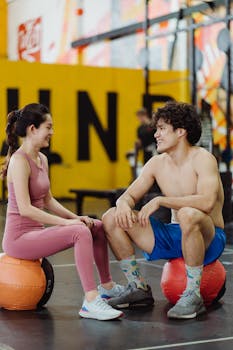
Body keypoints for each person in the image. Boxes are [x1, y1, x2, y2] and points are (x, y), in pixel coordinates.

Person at [102, 100, 226, 319]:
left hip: (209, 237)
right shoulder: (157, 163)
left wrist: (162, 201)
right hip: (176, 234)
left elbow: (207, 202)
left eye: (161, 129)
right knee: (111, 216)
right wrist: (122, 204)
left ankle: (193, 294)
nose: (156, 134)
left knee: (188, 214)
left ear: (180, 132)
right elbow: (129, 195)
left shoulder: (203, 159)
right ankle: (138, 288)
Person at [0, 103, 124, 321]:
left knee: (95, 226)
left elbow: (47, 199)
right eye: (48, 127)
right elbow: (26, 209)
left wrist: (77, 218)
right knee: (79, 232)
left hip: (35, 234)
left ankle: (106, 286)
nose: (52, 132)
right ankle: (90, 301)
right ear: (32, 129)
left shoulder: (42, 159)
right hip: (18, 240)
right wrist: (67, 225)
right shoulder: (19, 161)